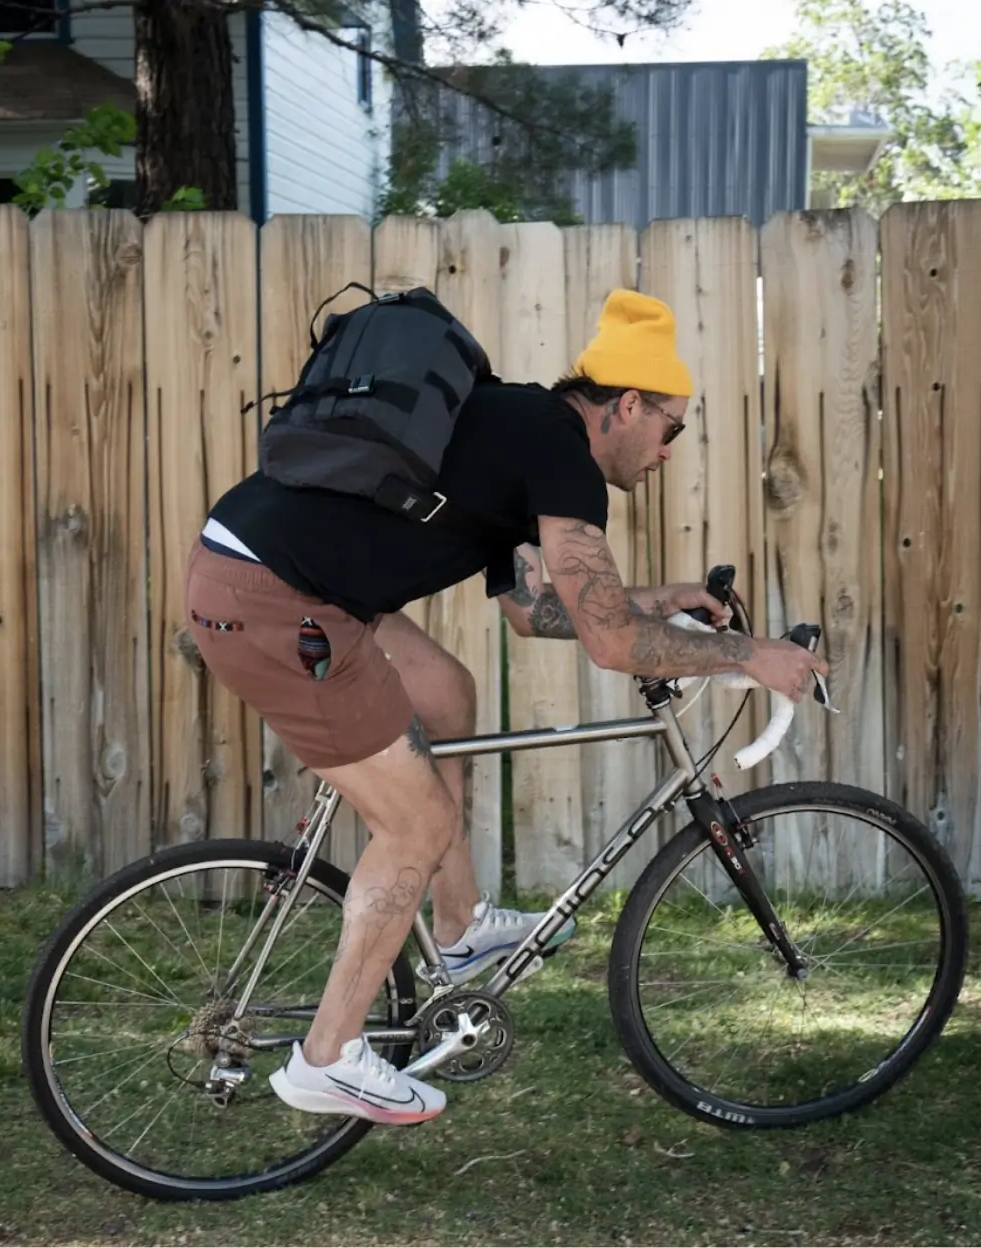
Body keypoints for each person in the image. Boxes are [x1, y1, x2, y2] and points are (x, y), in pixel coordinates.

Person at [182, 289, 829, 1125]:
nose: (669, 451)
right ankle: (329, 1057)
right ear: (629, 405)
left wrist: (658, 599)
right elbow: (611, 643)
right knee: (415, 823)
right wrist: (750, 655)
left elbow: (537, 611)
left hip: (270, 571)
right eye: (672, 427)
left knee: (447, 694)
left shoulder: (516, 429)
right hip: (274, 598)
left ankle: (458, 929)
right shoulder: (558, 454)